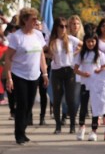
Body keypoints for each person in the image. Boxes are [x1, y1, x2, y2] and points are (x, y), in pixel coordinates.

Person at [4, 8, 48, 145]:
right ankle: (19, 135)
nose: (35, 21)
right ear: (24, 20)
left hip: (34, 75)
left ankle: (22, 130)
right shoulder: (16, 37)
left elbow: (41, 55)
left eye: (36, 19)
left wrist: (45, 73)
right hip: (19, 75)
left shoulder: (38, 35)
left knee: (29, 105)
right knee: (22, 104)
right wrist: (9, 78)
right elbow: (8, 58)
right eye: (33, 19)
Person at [47, 17, 82, 134]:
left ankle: (72, 125)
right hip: (57, 71)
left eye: (66, 26)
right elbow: (42, 51)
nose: (64, 29)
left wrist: (75, 54)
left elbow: (84, 46)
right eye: (61, 26)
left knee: (70, 99)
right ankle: (58, 126)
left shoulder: (71, 39)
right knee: (57, 99)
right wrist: (49, 56)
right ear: (56, 27)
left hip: (69, 71)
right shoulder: (52, 39)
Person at [74, 32, 105, 140]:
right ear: (85, 42)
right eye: (88, 41)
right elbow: (75, 69)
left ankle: (94, 130)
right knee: (83, 106)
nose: (90, 44)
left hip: (96, 85)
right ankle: (82, 127)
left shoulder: (100, 54)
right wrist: (82, 74)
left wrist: (100, 69)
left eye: (92, 41)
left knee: (95, 107)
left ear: (96, 42)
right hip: (85, 84)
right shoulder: (82, 54)